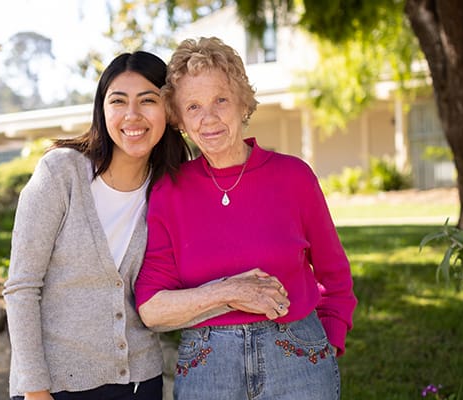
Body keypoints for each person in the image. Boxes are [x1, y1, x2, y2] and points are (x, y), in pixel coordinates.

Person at [134, 37, 357, 400]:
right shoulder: (169, 191)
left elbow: (334, 274)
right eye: (193, 106)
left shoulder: (293, 177)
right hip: (208, 365)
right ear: (179, 119)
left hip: (298, 356)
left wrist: (329, 341)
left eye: (220, 100)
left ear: (242, 102)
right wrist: (228, 291)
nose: (209, 118)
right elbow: (151, 307)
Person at [3, 51, 191, 400]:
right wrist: (34, 389)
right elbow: (22, 287)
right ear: (102, 111)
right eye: (118, 101)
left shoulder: (169, 189)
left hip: (140, 382)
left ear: (167, 109)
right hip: (57, 386)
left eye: (147, 100)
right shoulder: (62, 173)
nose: (132, 115)